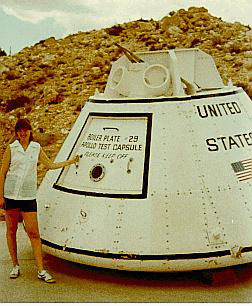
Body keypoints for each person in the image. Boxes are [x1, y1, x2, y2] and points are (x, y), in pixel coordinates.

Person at [0, 118, 79, 283]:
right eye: (20, 130)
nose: (23, 133)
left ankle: (41, 270)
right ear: (16, 132)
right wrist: (0, 196)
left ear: (30, 131)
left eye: (25, 130)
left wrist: (71, 162)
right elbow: (3, 173)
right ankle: (15, 265)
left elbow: (49, 165)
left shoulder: (36, 148)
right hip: (11, 196)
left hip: (28, 196)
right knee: (11, 231)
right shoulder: (11, 148)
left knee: (34, 234)